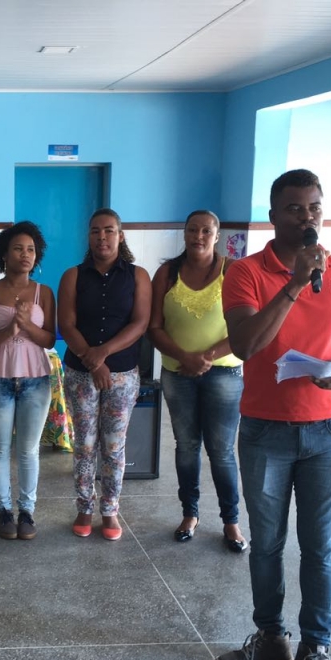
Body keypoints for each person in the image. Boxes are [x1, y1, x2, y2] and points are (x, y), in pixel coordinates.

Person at [213, 170, 331, 660]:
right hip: (266, 430)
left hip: (330, 431)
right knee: (266, 544)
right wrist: (294, 285)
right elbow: (245, 344)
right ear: (274, 215)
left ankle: (315, 651)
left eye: (314, 207)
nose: (307, 217)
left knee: (320, 548)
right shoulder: (245, 272)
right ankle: (270, 640)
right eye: (295, 208)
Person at [148, 210, 247, 552]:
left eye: (206, 230)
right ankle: (190, 514)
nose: (199, 236)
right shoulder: (167, 273)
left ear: (217, 236)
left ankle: (231, 521)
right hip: (178, 374)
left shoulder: (233, 271)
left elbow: (247, 327)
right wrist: (184, 357)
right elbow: (154, 327)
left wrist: (208, 356)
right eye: (193, 230)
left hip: (224, 374)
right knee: (187, 447)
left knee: (221, 451)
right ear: (185, 233)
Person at [58, 209, 151, 541]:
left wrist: (104, 353)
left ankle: (110, 510)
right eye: (95, 231)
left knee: (113, 446)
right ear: (89, 236)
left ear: (120, 236)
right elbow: (66, 324)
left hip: (122, 375)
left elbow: (140, 323)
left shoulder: (138, 276)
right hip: (81, 374)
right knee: (84, 445)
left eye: (109, 230)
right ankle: (85, 507)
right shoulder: (73, 276)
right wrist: (94, 362)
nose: (102, 237)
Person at [0, 221, 56, 540]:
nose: (25, 254)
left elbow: (50, 339)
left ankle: (27, 512)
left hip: (36, 380)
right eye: (18, 249)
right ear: (4, 255)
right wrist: (9, 330)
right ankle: (4, 512)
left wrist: (27, 325)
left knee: (29, 450)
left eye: (31, 249)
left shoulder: (44, 293)